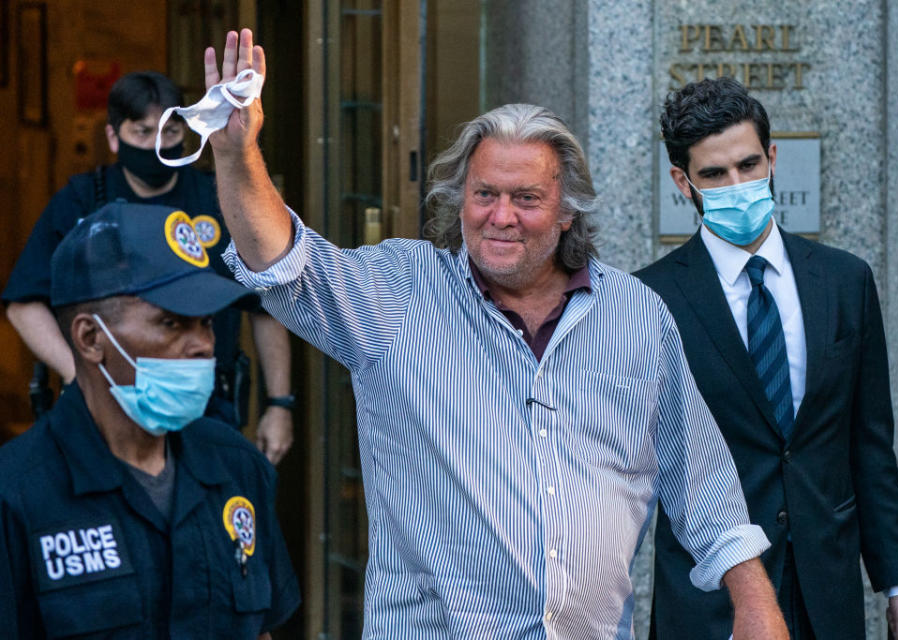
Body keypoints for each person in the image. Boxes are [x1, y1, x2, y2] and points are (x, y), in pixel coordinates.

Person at [201, 29, 788, 638]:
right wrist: (237, 156)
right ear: (460, 202)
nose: (501, 216)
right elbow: (280, 261)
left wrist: (755, 602)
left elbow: (700, 477)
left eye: (526, 197)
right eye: (484, 194)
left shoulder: (635, 314)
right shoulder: (399, 294)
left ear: (567, 212)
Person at [634, 77, 898, 640]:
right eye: (714, 174)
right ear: (683, 182)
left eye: (749, 165)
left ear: (772, 158)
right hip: (710, 600)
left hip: (827, 586)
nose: (738, 184)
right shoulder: (648, 300)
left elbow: (868, 443)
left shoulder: (845, 281)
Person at [0, 202, 300, 638]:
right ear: (90, 339)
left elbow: (262, 630)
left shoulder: (237, 466)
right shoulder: (17, 493)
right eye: (172, 323)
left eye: (206, 323)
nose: (202, 345)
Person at [2, 71, 294, 464]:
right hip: (104, 408)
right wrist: (77, 372)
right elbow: (24, 303)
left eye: (170, 132)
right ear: (112, 136)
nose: (157, 144)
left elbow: (265, 304)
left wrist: (279, 403)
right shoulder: (83, 201)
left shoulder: (217, 197)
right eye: (142, 132)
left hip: (204, 402)